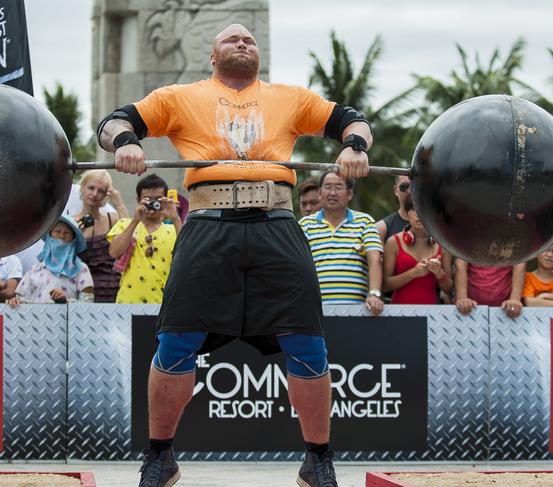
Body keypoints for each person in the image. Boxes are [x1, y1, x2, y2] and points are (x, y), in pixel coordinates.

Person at [97, 23, 372, 487]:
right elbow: (112, 124)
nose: (243, 43)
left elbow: (352, 119)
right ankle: (161, 459)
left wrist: (355, 146)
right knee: (176, 341)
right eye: (231, 40)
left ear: (258, 55)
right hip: (208, 224)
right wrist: (126, 144)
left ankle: (318, 461)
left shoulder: (291, 97)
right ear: (212, 55)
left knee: (306, 341)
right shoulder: (177, 97)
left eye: (250, 40)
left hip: (277, 224)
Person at [299, 171, 384, 314]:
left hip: (357, 310)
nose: (332, 193)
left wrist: (374, 294)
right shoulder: (305, 224)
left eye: (338, 187)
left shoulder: (365, 222)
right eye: (327, 187)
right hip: (315, 310)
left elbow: (375, 259)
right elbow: (297, 265)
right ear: (319, 193)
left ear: (349, 193)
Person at [107, 174, 180, 304]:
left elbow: (189, 254)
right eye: (147, 200)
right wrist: (135, 220)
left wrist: (175, 218)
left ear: (165, 200)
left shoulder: (173, 229)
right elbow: (114, 252)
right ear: (138, 200)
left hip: (164, 305)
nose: (153, 204)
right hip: (128, 302)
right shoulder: (125, 224)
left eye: (157, 200)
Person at [7, 216, 93, 306]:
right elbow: (21, 300)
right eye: (58, 231)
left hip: (69, 319)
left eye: (67, 233)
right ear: (50, 236)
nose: (62, 236)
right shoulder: (34, 269)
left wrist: (66, 301)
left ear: (73, 239)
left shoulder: (81, 268)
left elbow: (88, 303)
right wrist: (15, 302)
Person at [382, 196, 452, 304]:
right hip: (400, 311)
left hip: (430, 312)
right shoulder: (394, 242)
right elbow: (384, 286)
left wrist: (439, 273)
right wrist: (412, 273)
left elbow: (449, 289)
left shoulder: (442, 244)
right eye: (413, 209)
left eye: (423, 209)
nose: (418, 214)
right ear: (407, 213)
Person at [74, 169, 124, 302]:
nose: (95, 194)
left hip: (115, 287)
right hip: (84, 290)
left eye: (101, 191)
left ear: (105, 195)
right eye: (91, 188)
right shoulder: (71, 222)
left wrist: (118, 202)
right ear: (82, 187)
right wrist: (78, 236)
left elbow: (131, 234)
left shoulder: (111, 218)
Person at [454, 259, 526, 318]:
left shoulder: (510, 244)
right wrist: (462, 298)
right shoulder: (470, 242)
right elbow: (461, 262)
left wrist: (515, 299)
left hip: (506, 310)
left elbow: (520, 262)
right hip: (468, 309)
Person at [376, 175, 411, 243]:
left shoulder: (435, 225)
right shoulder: (382, 229)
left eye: (414, 186)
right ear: (396, 190)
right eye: (404, 186)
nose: (409, 191)